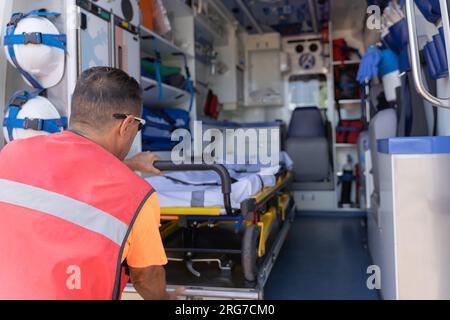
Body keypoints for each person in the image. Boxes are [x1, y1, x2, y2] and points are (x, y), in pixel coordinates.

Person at [0, 67, 182, 300]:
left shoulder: (11, 153)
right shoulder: (138, 196)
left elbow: (66, 179)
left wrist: (131, 165)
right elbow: (146, 278)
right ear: (126, 125)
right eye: (139, 125)